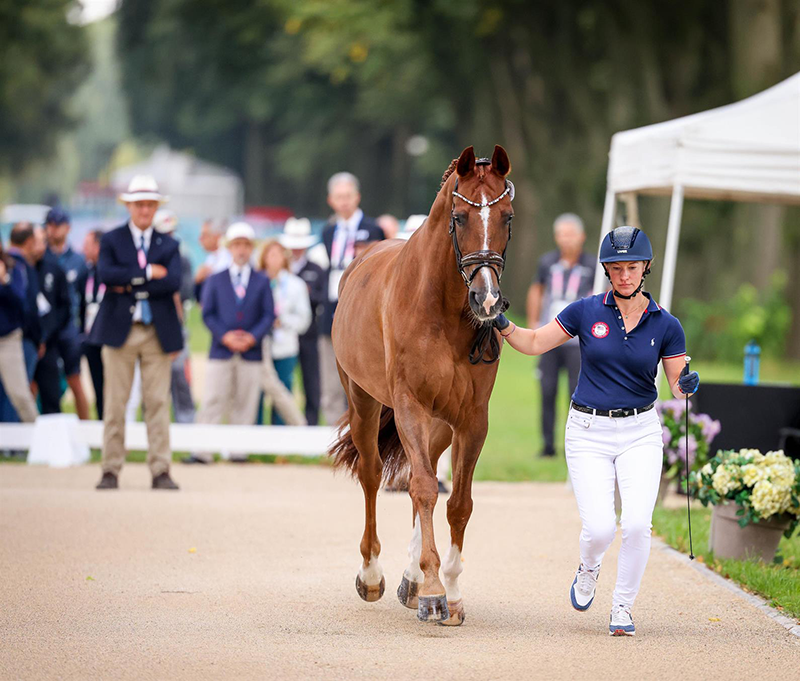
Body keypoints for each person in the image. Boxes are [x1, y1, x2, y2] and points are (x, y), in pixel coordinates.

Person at [496, 226, 700, 637]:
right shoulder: (585, 311)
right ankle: (588, 568)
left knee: (638, 524)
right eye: (617, 268)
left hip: (640, 431)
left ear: (645, 269)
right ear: (607, 270)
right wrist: (499, 321)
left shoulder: (667, 324)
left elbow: (677, 386)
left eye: (632, 267)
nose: (624, 275)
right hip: (588, 430)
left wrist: (688, 384)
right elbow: (535, 341)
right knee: (601, 528)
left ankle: (622, 606)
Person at [90, 175, 183, 491]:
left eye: (149, 205)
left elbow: (172, 282)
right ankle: (110, 468)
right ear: (129, 206)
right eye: (139, 204)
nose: (145, 210)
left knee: (157, 402)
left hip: (156, 331)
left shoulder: (168, 243)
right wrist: (145, 274)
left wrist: (128, 282)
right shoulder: (112, 240)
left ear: (156, 207)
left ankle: (160, 469)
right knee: (115, 402)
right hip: (121, 329)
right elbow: (105, 275)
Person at [183, 223, 275, 464]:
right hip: (221, 350)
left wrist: (252, 337)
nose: (241, 250)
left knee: (245, 401)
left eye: (246, 245)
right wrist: (225, 336)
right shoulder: (216, 279)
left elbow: (268, 314)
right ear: (229, 248)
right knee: (214, 398)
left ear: (252, 248)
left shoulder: (261, 281)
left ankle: (238, 451)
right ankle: (203, 450)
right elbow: (208, 313)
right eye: (237, 245)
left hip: (251, 351)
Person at [526, 213, 596, 457]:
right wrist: (535, 322)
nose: (567, 240)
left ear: (582, 237)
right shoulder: (547, 262)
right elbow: (537, 290)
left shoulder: (591, 265)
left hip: (578, 341)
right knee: (547, 389)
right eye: (562, 235)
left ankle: (574, 445)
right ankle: (547, 445)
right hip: (549, 336)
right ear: (556, 237)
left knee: (576, 392)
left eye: (571, 234)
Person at [320, 172, 384, 425]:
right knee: (331, 382)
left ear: (356, 197)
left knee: (362, 382)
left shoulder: (372, 229)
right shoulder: (328, 231)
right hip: (332, 308)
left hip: (361, 312)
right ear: (331, 200)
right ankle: (336, 440)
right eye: (339, 197)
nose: (344, 202)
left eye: (348, 196)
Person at [257, 239, 311, 425]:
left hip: (285, 345)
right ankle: (253, 436)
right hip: (258, 346)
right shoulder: (256, 281)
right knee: (257, 392)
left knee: (283, 391)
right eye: (270, 254)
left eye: (278, 254)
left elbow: (304, 319)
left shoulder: (295, 284)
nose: (274, 259)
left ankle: (280, 438)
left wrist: (283, 322)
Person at [44, 208, 90, 420]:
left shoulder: (78, 261)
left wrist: (80, 331)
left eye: (57, 225)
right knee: (39, 380)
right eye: (50, 225)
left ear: (68, 228)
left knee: (75, 380)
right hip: (45, 328)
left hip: (68, 328)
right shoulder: (41, 256)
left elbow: (82, 299)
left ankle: (86, 431)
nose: (53, 230)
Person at [280, 218, 324, 425]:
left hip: (309, 332)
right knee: (282, 380)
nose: (296, 250)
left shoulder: (316, 269)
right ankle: (282, 423)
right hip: (282, 333)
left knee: (311, 380)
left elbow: (322, 296)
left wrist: (307, 294)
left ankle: (311, 422)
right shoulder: (281, 269)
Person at [154, 209, 196, 424]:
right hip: (151, 326)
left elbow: (185, 291)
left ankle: (186, 425)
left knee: (180, 378)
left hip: (176, 326)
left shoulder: (182, 260)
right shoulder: (147, 258)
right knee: (152, 382)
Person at [0, 224, 42, 422]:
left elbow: (21, 301)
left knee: (18, 393)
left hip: (9, 339)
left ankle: (39, 439)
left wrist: (4, 280)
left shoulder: (13, 266)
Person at [31, 226, 72, 415]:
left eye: (41, 241)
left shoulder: (54, 268)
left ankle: (52, 442)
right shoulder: (18, 268)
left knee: (51, 397)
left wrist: (46, 338)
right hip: (24, 342)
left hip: (49, 344)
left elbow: (64, 307)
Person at [79, 229, 105, 418]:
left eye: (88, 245)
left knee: (111, 386)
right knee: (96, 384)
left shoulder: (111, 272)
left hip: (108, 338)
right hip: (90, 338)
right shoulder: (87, 272)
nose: (84, 249)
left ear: (98, 247)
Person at [194, 219, 231, 304]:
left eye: (205, 235)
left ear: (217, 236)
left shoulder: (229, 257)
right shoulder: (211, 258)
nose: (200, 239)